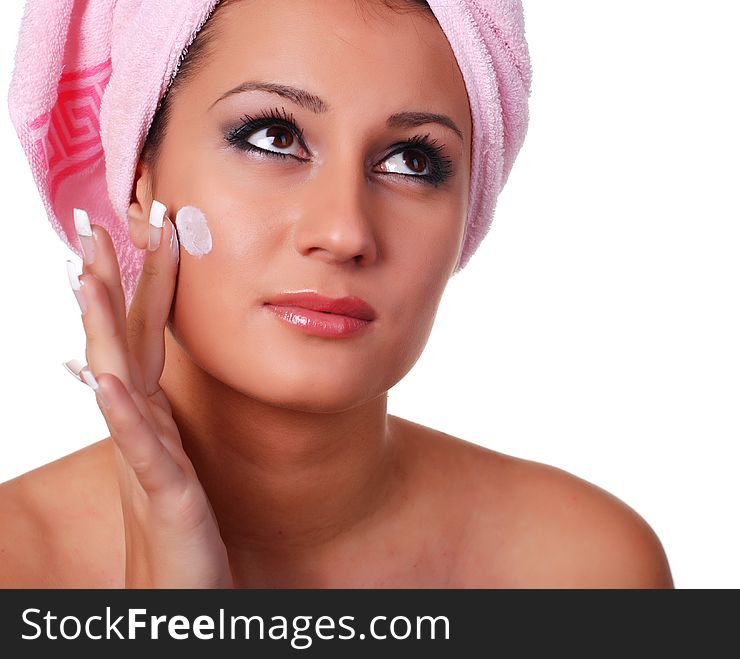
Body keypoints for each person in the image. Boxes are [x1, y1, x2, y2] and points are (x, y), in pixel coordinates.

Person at [0, 0, 674, 588]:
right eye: (274, 136)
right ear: (137, 174)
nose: (346, 230)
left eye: (413, 159)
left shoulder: (587, 571)